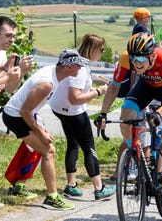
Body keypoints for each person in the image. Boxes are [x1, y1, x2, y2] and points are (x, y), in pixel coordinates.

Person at [95, 32, 162, 214]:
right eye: (134, 57)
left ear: (151, 55)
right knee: (126, 116)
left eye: (141, 58)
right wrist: (103, 113)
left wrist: (159, 112)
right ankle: (134, 157)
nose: (136, 62)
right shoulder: (127, 59)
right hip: (146, 87)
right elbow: (114, 86)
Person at [2, 49, 88, 210]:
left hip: (25, 114)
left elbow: (30, 106)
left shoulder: (54, 75)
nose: (80, 69)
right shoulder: (47, 83)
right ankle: (52, 198)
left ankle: (19, 185)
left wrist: (39, 125)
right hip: (16, 116)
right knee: (48, 150)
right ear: (68, 67)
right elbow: (24, 111)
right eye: (78, 65)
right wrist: (40, 132)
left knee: (41, 149)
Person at [49, 34, 115, 200]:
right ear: (93, 50)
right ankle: (99, 188)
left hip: (59, 107)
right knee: (89, 147)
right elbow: (75, 98)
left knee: (73, 144)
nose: (102, 52)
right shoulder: (81, 68)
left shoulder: (74, 60)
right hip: (73, 110)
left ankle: (71, 185)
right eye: (101, 50)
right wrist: (98, 92)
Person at [0, 16, 34, 209]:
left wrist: (20, 73)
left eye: (14, 36)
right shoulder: (2, 61)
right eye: (8, 36)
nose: (12, 40)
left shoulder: (2, 55)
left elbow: (8, 88)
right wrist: (5, 72)